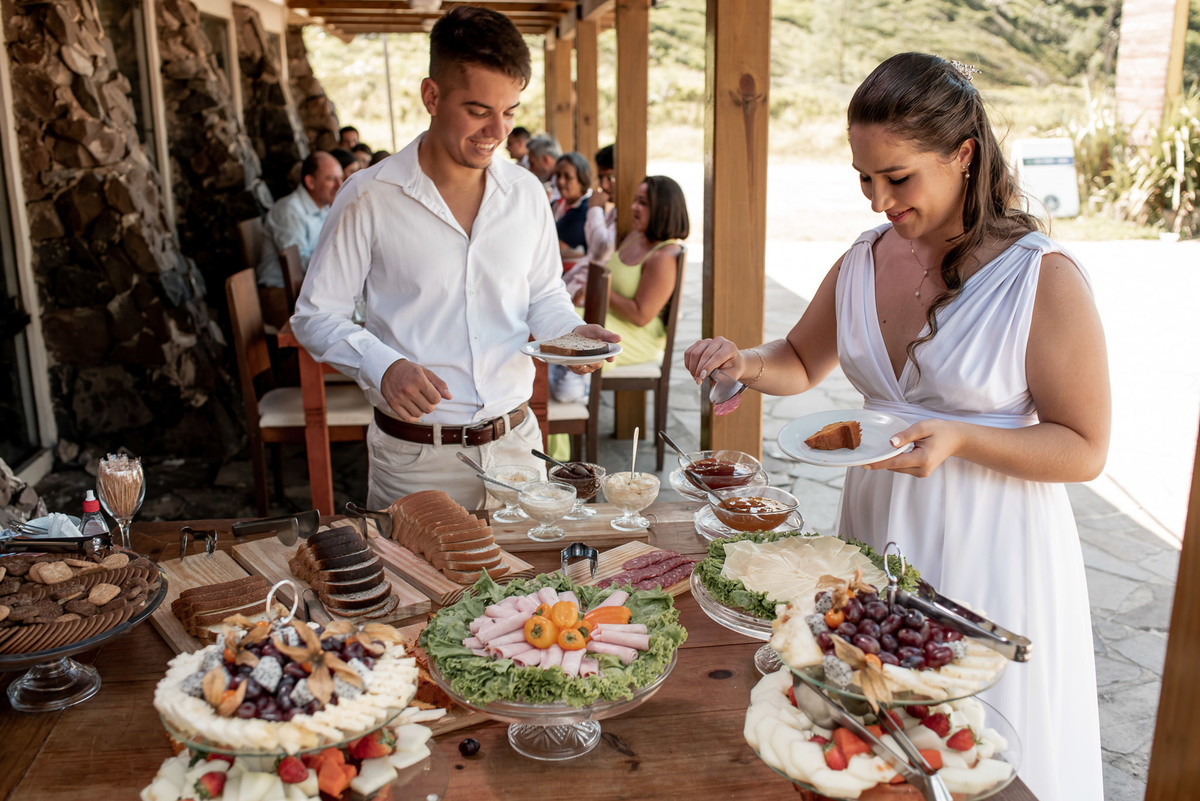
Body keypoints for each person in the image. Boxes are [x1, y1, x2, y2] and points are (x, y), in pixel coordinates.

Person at [684, 53, 1107, 801]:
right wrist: (741, 362)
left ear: (963, 153)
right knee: (879, 752)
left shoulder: (1041, 276)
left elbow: (1085, 447)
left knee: (982, 756)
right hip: (878, 531)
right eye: (864, 178)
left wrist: (963, 438)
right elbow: (798, 358)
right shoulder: (862, 258)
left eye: (898, 177)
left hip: (993, 544)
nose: (880, 199)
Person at [291, 6, 617, 511]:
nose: (496, 131)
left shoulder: (527, 193)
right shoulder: (368, 195)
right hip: (416, 459)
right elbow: (314, 316)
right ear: (432, 95)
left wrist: (569, 337)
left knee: (530, 591)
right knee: (417, 591)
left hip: (516, 447)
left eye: (509, 112)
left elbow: (544, 294)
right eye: (478, 109)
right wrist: (382, 366)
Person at [550, 175, 688, 404]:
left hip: (636, 337)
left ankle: (574, 387)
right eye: (636, 200)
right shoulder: (635, 237)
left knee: (573, 330)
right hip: (609, 320)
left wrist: (601, 290)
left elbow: (641, 315)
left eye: (643, 203)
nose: (634, 207)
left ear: (664, 210)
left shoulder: (663, 256)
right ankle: (560, 381)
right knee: (561, 320)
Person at [256, 150, 343, 327]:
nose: (339, 185)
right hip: (280, 293)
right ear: (310, 182)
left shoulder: (325, 209)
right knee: (332, 327)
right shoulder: (289, 210)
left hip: (304, 291)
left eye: (340, 178)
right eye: (331, 179)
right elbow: (297, 264)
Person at [552, 152, 592, 261]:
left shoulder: (585, 211)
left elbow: (554, 247)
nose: (560, 181)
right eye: (558, 175)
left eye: (567, 177)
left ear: (582, 179)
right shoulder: (557, 204)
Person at [525, 134, 561, 199]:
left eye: (532, 164)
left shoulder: (563, 185)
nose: (530, 169)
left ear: (545, 159)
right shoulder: (550, 183)